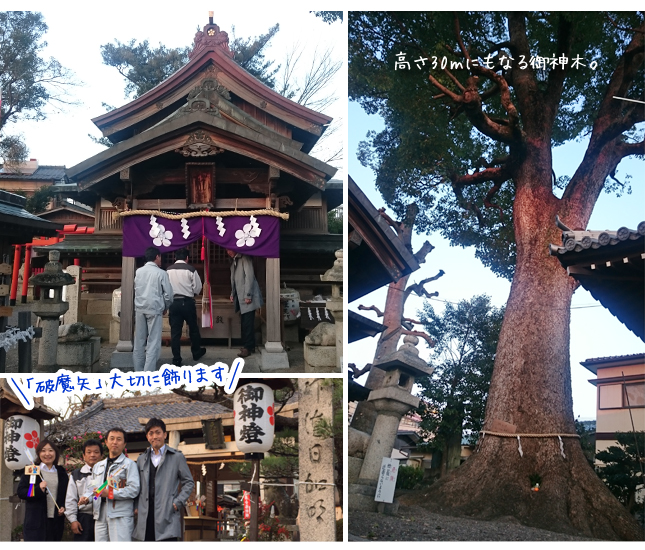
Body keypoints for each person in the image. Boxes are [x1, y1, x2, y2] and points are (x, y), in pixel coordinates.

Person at [133, 418, 195, 541]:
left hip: (167, 513)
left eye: (158, 432)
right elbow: (136, 484)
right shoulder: (141, 459)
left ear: (165, 434)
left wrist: (177, 503)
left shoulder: (177, 457)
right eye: (151, 433)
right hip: (145, 515)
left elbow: (189, 482)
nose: (154, 436)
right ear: (147, 437)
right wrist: (136, 506)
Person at [79, 427, 140, 542]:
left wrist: (110, 493)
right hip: (100, 514)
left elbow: (134, 489)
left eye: (119, 439)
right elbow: (94, 489)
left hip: (120, 514)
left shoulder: (129, 465)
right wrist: (87, 498)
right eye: (111, 439)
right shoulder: (98, 466)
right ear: (106, 442)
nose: (115, 442)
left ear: (124, 443)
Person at [17, 439, 68, 541]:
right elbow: (21, 492)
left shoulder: (61, 472)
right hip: (35, 521)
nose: (47, 454)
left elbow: (66, 494)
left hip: (55, 522)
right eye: (43, 450)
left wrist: (63, 507)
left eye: (50, 450)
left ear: (55, 453)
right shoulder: (32, 470)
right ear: (38, 453)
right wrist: (38, 489)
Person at [133, 246, 174, 371]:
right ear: (157, 257)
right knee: (153, 342)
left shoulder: (138, 272)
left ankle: (138, 372)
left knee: (139, 341)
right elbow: (169, 295)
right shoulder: (161, 273)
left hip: (140, 308)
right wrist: (165, 306)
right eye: (160, 257)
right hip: (155, 308)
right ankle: (148, 373)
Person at [166, 247, 206, 366]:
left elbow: (165, 287)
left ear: (175, 257)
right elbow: (198, 288)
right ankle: (196, 352)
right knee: (193, 329)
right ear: (187, 258)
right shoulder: (191, 270)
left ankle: (176, 358)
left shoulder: (168, 270)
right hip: (187, 302)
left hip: (173, 303)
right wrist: (191, 293)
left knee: (175, 332)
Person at [227, 249, 263, 357]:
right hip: (240, 296)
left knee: (248, 323)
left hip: (247, 296)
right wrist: (232, 294)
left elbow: (249, 277)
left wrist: (248, 295)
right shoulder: (234, 260)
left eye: (229, 249)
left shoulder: (245, 258)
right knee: (244, 323)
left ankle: (248, 347)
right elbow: (233, 279)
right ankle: (248, 346)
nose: (228, 251)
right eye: (227, 250)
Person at [65, 438, 103, 541]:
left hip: (103, 517)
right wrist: (73, 520)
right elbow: (71, 498)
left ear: (101, 456)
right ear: (83, 456)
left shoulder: (107, 474)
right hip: (84, 518)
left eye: (96, 452)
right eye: (89, 452)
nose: (92, 455)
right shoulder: (76, 474)